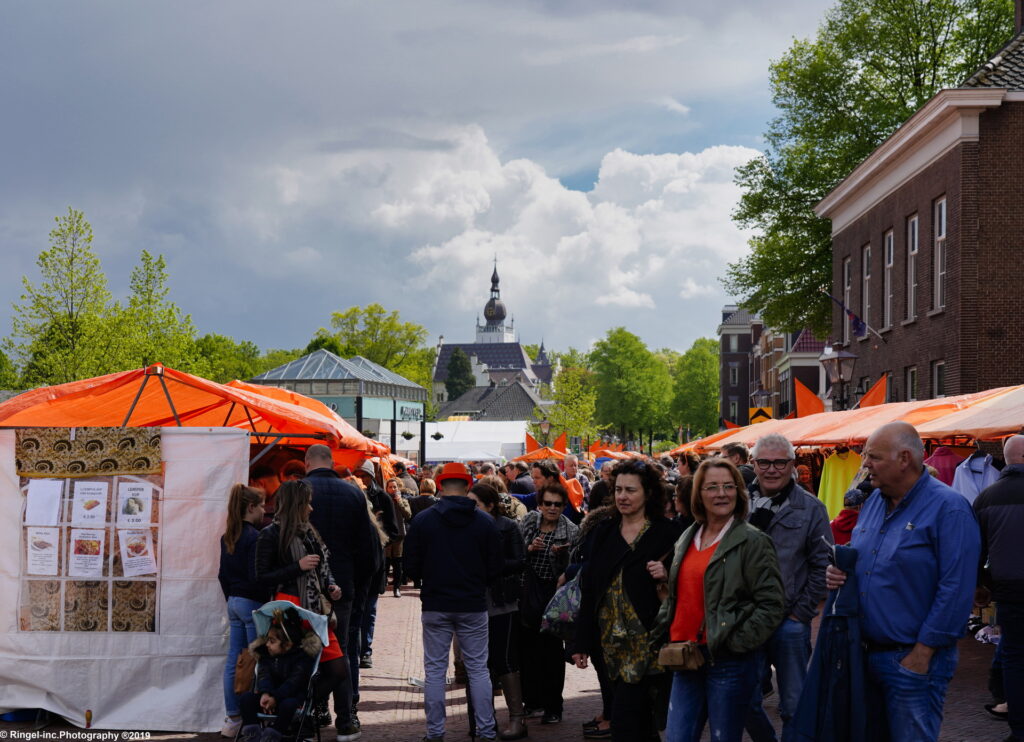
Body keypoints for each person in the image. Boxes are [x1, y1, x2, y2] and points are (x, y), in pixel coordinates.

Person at [826, 422, 980, 742]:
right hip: (865, 657)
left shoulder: (949, 508)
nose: (864, 464)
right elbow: (863, 562)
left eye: (873, 457)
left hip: (911, 662)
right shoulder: (871, 504)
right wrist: (839, 574)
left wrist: (921, 656)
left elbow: (956, 589)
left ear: (904, 459)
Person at [651, 458, 785, 742]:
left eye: (728, 486)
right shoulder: (688, 536)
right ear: (699, 494)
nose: (721, 493)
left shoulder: (753, 541)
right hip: (685, 658)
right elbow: (678, 595)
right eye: (712, 487)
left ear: (739, 492)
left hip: (728, 661)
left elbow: (772, 604)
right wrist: (662, 629)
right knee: (676, 737)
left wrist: (735, 642)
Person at [570, 459, 683, 742]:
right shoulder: (603, 532)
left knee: (626, 721)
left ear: (648, 493)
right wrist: (580, 641)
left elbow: (687, 583)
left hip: (651, 643)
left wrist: (667, 574)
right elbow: (590, 588)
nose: (622, 496)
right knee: (639, 722)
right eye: (618, 489)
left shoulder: (667, 533)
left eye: (630, 490)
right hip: (609, 645)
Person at [404, 462, 503, 742]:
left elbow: (411, 566)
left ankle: (435, 732)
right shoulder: (484, 522)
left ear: (440, 485)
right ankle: (485, 730)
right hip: (472, 603)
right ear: (468, 485)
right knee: (478, 669)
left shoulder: (424, 521)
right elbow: (495, 567)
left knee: (435, 670)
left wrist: (430, 576)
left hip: (436, 602)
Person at [744, 433, 832, 742]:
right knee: (744, 701)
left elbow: (823, 563)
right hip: (745, 621)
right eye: (764, 462)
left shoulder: (811, 508)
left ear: (791, 465)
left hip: (788, 620)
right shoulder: (736, 503)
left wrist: (801, 613)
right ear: (752, 464)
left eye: (779, 462)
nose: (771, 469)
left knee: (794, 703)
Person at [253, 479, 357, 741]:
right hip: (288, 612)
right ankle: (298, 717)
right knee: (299, 668)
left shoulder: (310, 533)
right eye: (307, 503)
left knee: (336, 668)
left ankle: (297, 708)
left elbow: (322, 569)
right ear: (295, 505)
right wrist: (296, 567)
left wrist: (331, 586)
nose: (311, 508)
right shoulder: (271, 534)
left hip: (313, 612)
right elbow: (261, 577)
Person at [302, 444, 373, 740]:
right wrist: (359, 586)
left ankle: (310, 714)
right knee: (341, 650)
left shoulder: (299, 490)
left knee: (306, 651)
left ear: (307, 462)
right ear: (331, 462)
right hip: (342, 586)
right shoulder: (354, 493)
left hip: (303, 585)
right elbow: (366, 549)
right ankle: (346, 718)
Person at [467, 481, 529, 740]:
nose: (471, 508)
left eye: (476, 504)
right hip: (472, 602)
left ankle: (517, 719)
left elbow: (520, 561)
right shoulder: (466, 527)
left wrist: (491, 565)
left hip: (502, 601)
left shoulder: (508, 526)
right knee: (477, 663)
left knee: (504, 658)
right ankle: (481, 720)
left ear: (490, 505)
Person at [974, 434, 1024, 742]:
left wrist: (984, 584)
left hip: (1009, 592)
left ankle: (1019, 729)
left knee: (1016, 658)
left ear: (1005, 459)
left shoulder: (986, 498)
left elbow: (975, 551)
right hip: (1008, 589)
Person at [518, 482, 580, 725]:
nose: (552, 508)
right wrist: (529, 549)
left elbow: (576, 568)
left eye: (557, 504)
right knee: (528, 651)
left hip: (554, 596)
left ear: (564, 506)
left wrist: (562, 557)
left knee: (552, 654)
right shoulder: (529, 523)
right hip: (528, 592)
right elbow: (516, 554)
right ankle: (532, 701)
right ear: (540, 505)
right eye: (547, 504)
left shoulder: (572, 530)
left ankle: (554, 706)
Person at [218, 484, 269, 738]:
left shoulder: (228, 535)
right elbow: (256, 576)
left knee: (233, 660)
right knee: (254, 663)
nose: (263, 510)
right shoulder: (255, 537)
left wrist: (232, 598)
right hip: (251, 603)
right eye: (261, 506)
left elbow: (222, 575)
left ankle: (233, 716)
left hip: (234, 602)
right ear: (251, 507)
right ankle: (251, 716)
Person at [238, 612, 321, 742]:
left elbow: (293, 683)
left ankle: (272, 736)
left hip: (290, 698)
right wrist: (265, 693)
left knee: (288, 704)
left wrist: (275, 697)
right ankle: (253, 735)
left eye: (272, 641)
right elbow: (263, 676)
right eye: (268, 640)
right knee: (245, 699)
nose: (267, 644)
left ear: (287, 644)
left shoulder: (302, 658)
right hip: (270, 697)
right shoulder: (266, 654)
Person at [384, 477, 412, 598]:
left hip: (399, 535)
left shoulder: (403, 500)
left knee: (397, 564)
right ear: (387, 489)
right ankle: (382, 586)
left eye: (395, 487)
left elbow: (408, 515)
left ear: (398, 488)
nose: (393, 489)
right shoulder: (383, 500)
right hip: (386, 535)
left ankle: (397, 588)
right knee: (385, 562)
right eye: (390, 487)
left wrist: (399, 501)